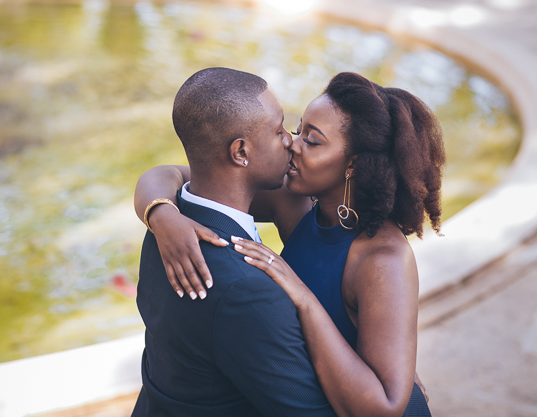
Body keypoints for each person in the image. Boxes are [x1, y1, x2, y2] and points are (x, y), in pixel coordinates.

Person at [135, 71, 445, 416]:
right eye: (296, 129)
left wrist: (304, 299)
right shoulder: (294, 202)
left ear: (352, 165)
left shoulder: (382, 259)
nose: (292, 143)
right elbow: (170, 174)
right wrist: (162, 215)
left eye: (312, 141)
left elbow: (385, 405)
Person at [132, 67, 337, 416]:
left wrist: (160, 213)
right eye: (278, 130)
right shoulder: (247, 291)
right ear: (240, 152)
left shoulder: (165, 230)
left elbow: (166, 174)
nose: (290, 140)